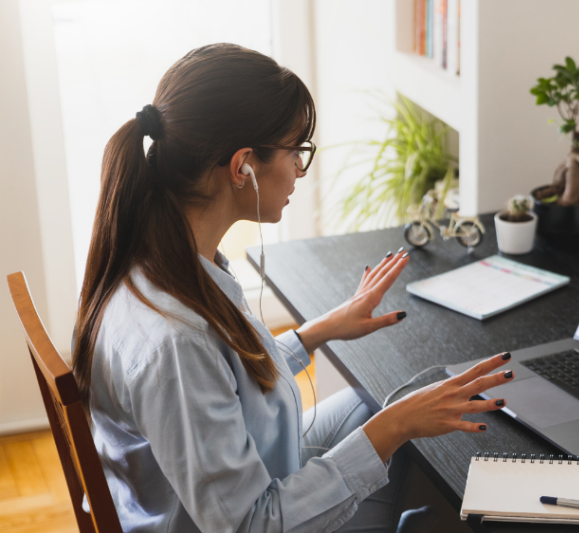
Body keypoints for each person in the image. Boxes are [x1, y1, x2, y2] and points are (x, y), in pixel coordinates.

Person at [72, 43, 512, 532]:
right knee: (412, 461)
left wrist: (316, 333)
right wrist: (396, 427)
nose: (301, 171)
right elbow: (251, 524)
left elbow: (222, 380)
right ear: (244, 166)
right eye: (296, 151)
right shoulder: (178, 340)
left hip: (237, 483)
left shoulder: (158, 261)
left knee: (391, 398)